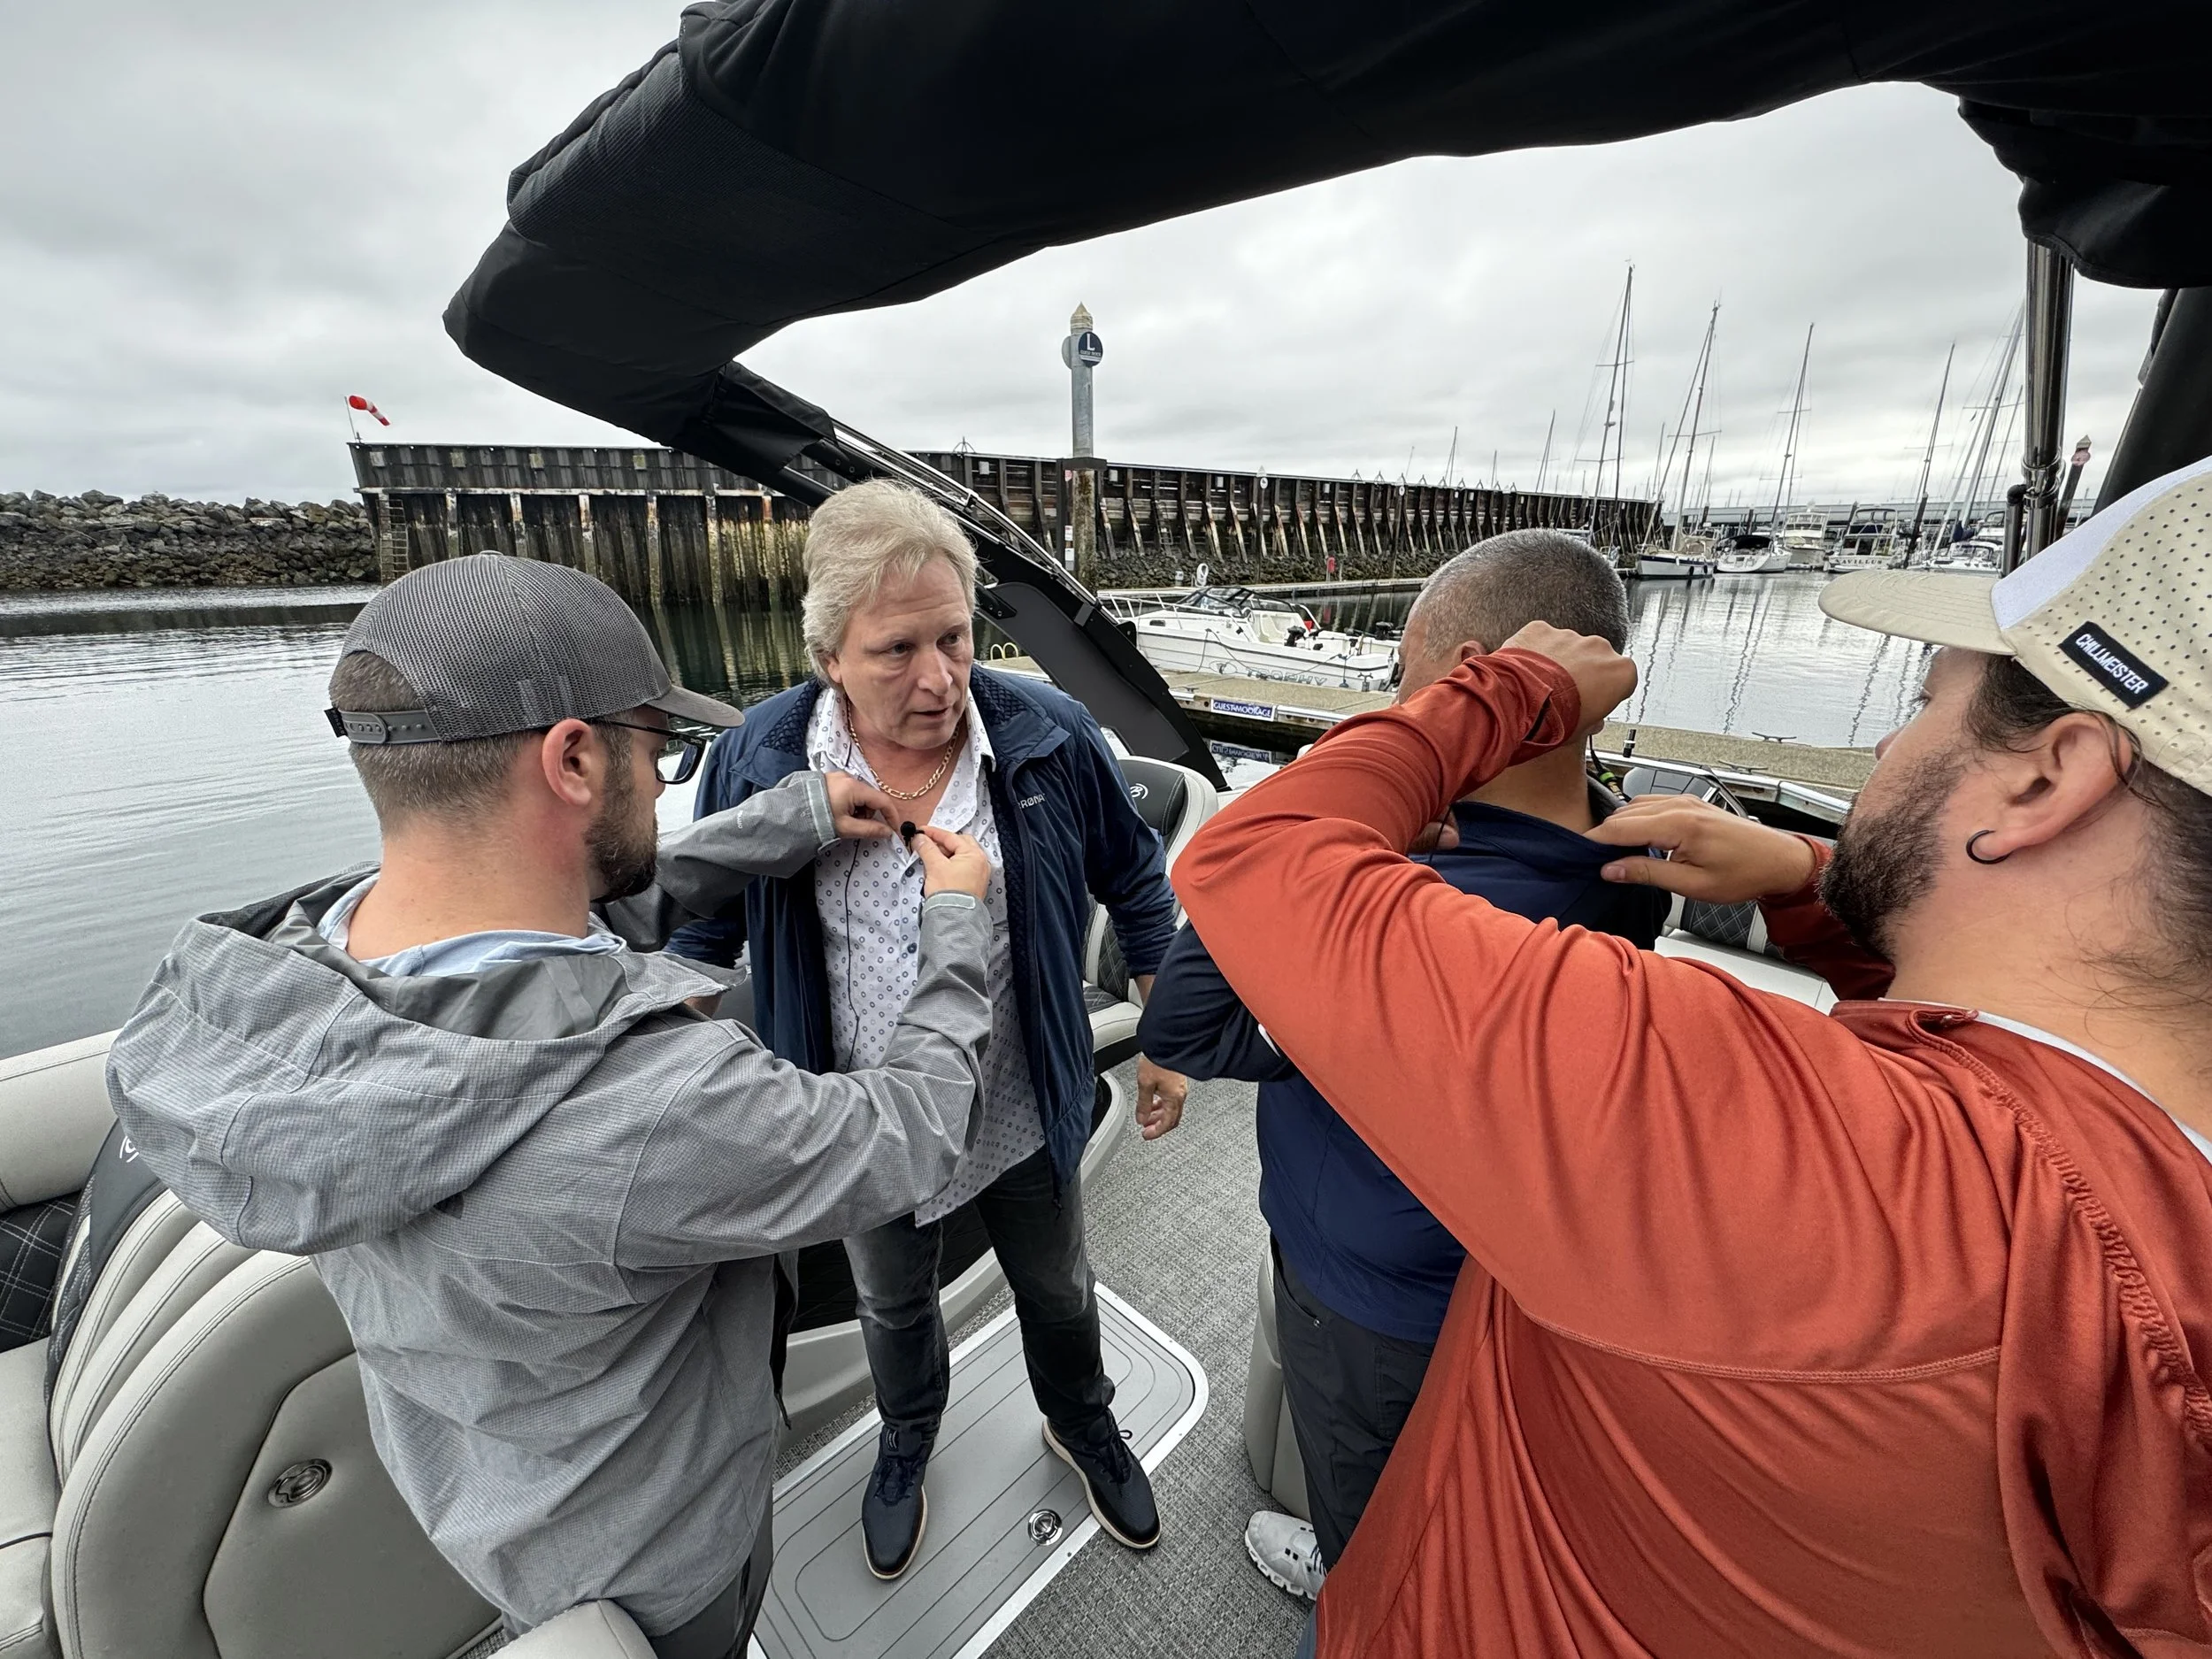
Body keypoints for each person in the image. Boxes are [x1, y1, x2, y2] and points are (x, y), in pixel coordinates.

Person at [1173, 455, 2212, 1656]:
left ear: (2048, 775)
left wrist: (1494, 693)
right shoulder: (2113, 1180)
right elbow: (1967, 1017)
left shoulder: (1779, 1134)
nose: (1884, 735)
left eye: (1928, 701)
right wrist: (1813, 879)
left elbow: (1258, 859)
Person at [105, 553, 1002, 1658]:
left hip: (491, 1495)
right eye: (658, 757)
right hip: (664, 1567)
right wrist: (957, 923)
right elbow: (905, 1137)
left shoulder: (302, 959)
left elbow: (551, 929)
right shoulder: (656, 1102)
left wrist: (791, 818)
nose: (663, 780)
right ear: (572, 756)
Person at [668, 480, 1188, 1578]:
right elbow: (698, 936)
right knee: (888, 1301)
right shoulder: (760, 761)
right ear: (829, 659)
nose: (938, 678)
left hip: (1018, 1099)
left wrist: (1168, 1035)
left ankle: (1082, 1420)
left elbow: (1137, 884)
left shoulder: (1045, 735)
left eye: (953, 637)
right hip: (858, 1120)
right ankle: (906, 1439)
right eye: (896, 649)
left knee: (1057, 1285)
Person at [1135, 531, 1668, 1601]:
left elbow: (1187, 1020)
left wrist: (1354, 829)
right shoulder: (1635, 852)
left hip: (1374, 1295)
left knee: (1371, 1503)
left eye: (1402, 676)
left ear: (1482, 677)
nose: (1388, 702)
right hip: (1499, 1268)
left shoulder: (1412, 906)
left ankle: (1353, 1586)